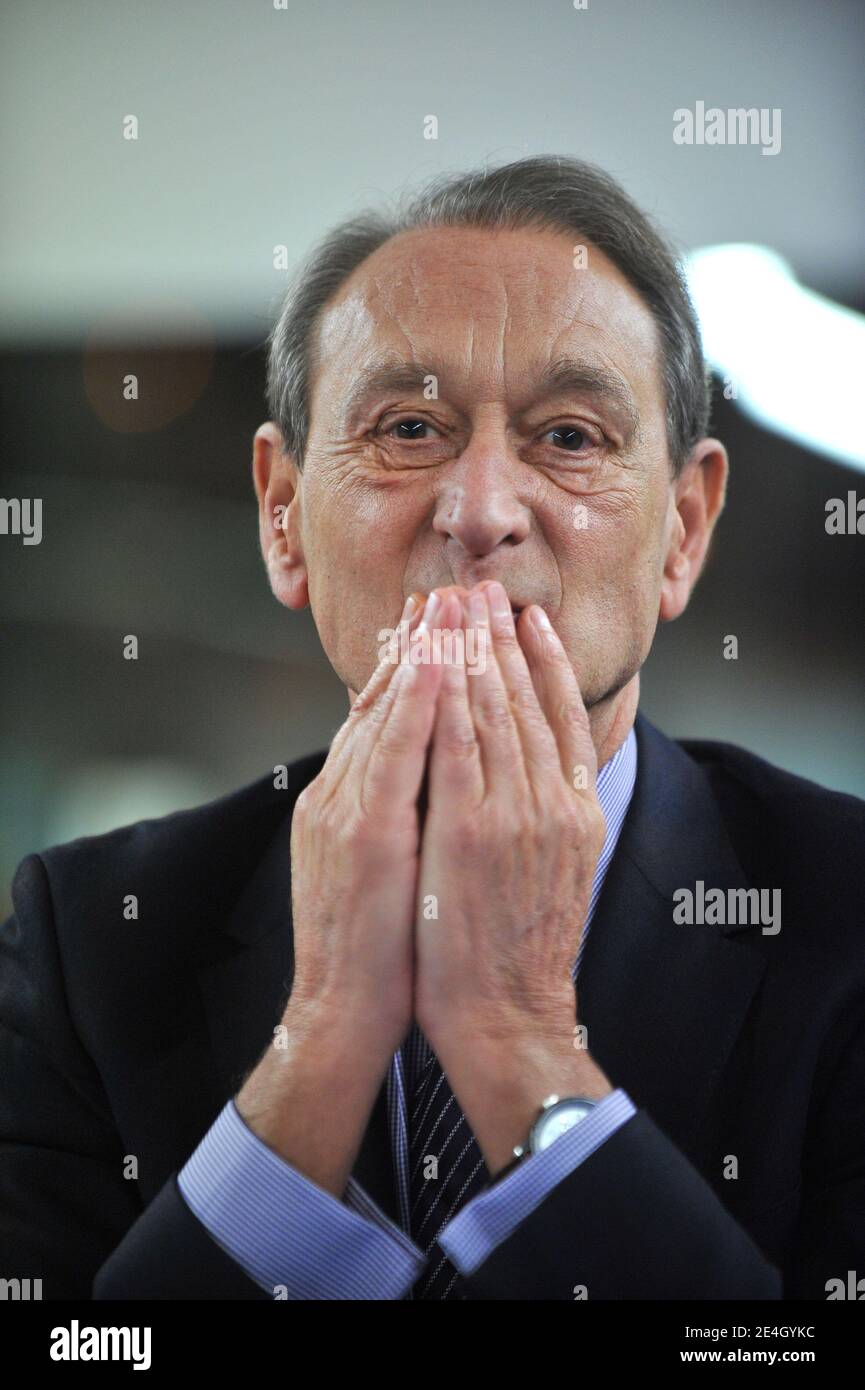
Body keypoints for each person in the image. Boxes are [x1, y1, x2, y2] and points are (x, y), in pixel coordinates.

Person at [2, 156, 863, 1301]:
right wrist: (318, 1046)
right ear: (281, 514)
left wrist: (519, 1049)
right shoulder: (88, 938)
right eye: (409, 427)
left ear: (685, 530)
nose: (478, 513)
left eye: (568, 436)